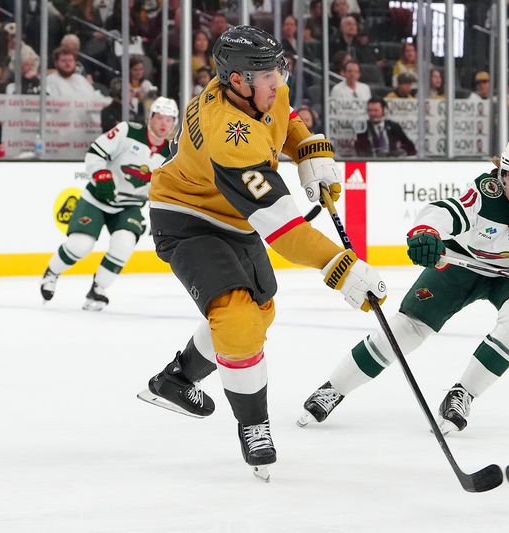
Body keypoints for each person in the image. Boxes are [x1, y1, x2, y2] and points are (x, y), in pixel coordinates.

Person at [135, 26, 387, 481]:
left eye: (278, 70)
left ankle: (176, 379)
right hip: (187, 217)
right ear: (236, 81)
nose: (278, 81)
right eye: (268, 75)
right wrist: (342, 268)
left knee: (260, 310)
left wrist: (308, 150)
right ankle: (254, 427)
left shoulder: (259, 89)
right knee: (236, 319)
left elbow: (284, 120)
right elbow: (286, 231)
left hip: (234, 215)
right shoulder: (228, 137)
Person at [297, 134, 509, 435]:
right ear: (502, 174)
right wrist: (426, 232)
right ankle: (334, 388)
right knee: (408, 327)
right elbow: (446, 210)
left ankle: (463, 394)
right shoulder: (486, 190)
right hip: (463, 262)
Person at [39, 97, 177, 310]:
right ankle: (51, 273)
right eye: (159, 117)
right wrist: (101, 176)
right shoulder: (127, 131)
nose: (163, 123)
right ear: (150, 117)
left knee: (125, 242)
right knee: (80, 245)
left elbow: (167, 189)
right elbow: (96, 153)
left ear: (174, 123)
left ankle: (98, 289)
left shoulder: (171, 154)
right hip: (97, 198)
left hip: (129, 205)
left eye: (169, 120)